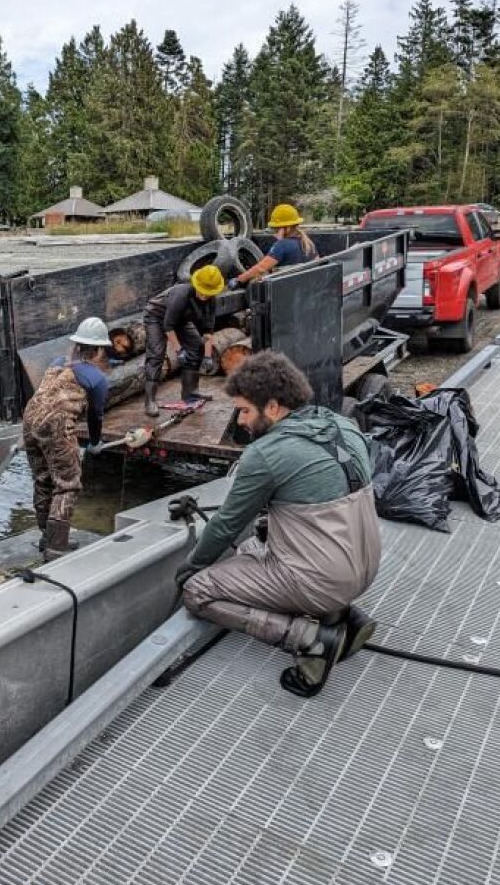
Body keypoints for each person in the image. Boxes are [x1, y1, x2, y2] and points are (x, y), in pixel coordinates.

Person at [177, 351, 381, 697]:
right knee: (253, 547)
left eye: (244, 410)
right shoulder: (341, 424)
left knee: (199, 590)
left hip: (322, 580)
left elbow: (227, 523)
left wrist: (192, 566)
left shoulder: (267, 453)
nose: (240, 421)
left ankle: (312, 639)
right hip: (366, 565)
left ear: (272, 407)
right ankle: (345, 615)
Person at [23, 316, 112, 560]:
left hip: (30, 418)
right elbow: (95, 416)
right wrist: (95, 442)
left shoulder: (57, 362)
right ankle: (56, 548)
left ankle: (46, 537)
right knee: (68, 484)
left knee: (42, 479)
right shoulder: (96, 379)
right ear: (98, 350)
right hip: (56, 425)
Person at [142, 265, 225, 418]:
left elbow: (208, 330)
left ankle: (190, 394)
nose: (204, 296)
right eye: (202, 291)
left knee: (197, 346)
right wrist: (179, 350)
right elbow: (168, 325)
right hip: (156, 316)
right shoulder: (181, 294)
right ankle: (150, 401)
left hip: (181, 320)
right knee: (156, 355)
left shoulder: (211, 301)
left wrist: (207, 356)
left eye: (208, 293)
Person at [230, 203, 317, 289]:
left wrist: (239, 280)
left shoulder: (281, 246)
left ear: (286, 228)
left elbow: (261, 268)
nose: (274, 231)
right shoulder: (308, 243)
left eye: (276, 228)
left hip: (285, 290)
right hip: (305, 287)